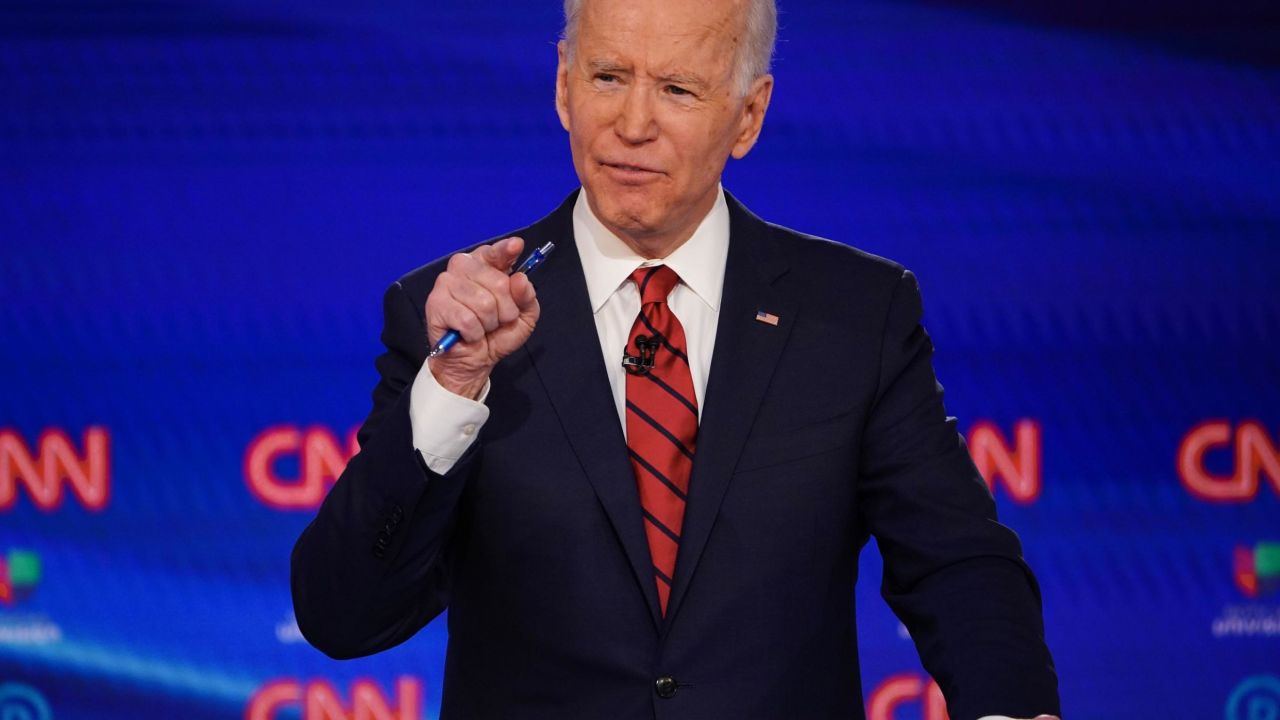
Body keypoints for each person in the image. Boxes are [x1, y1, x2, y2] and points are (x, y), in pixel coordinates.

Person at [290, 0, 1062, 718]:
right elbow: (343, 614)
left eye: (678, 89)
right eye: (608, 77)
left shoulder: (855, 315)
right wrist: (453, 386)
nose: (633, 123)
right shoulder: (456, 318)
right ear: (564, 87)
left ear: (749, 115)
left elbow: (958, 565)